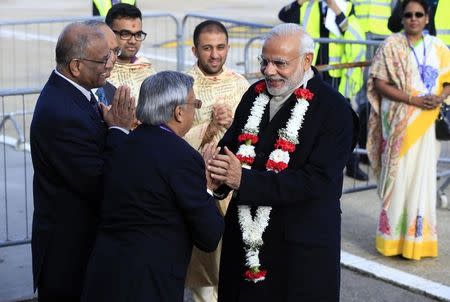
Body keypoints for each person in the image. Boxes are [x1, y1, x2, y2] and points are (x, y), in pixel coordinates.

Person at [207, 23, 358, 301]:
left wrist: (244, 180)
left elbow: (317, 181)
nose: (269, 71)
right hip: (245, 239)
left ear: (307, 60)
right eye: (264, 61)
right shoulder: (255, 93)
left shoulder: (334, 110)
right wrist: (217, 175)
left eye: (280, 63)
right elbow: (231, 147)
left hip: (299, 250)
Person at [81, 71, 224, 302]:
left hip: (104, 274)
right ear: (179, 112)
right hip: (149, 283)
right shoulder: (183, 157)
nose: (194, 109)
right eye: (194, 104)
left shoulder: (121, 143)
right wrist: (207, 188)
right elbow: (209, 235)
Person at [30, 21, 135, 302]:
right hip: (70, 256)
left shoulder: (80, 94)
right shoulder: (62, 113)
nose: (112, 63)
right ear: (76, 66)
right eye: (104, 58)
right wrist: (119, 130)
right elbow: (101, 182)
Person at [367, 0, 450, 260]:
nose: (413, 18)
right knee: (399, 180)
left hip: (426, 124)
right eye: (408, 15)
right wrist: (412, 99)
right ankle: (392, 242)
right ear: (401, 18)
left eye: (419, 14)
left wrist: (440, 97)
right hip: (399, 123)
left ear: (427, 18)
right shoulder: (390, 45)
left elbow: (448, 80)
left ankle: (419, 241)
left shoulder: (438, 47)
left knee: (423, 180)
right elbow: (379, 83)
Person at [183, 20, 249, 302]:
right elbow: (172, 136)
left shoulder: (240, 84)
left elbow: (253, 132)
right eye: (207, 48)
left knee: (234, 265)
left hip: (234, 188)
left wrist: (233, 123)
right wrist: (208, 130)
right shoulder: (184, 86)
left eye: (221, 47)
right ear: (194, 50)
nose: (214, 55)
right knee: (204, 271)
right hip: (198, 187)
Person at [279, 0, 369, 181]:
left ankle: (352, 163)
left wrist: (335, 8)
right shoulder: (309, 6)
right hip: (311, 72)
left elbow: (353, 32)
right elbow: (285, 16)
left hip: (336, 74)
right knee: (305, 117)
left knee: (344, 120)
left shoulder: (346, 7)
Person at [105, 3, 156, 101]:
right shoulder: (100, 72)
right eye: (125, 34)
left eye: (138, 34)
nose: (133, 41)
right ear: (108, 32)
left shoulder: (146, 66)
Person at [88, 20, 122, 106]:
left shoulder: (113, 91)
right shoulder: (70, 97)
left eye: (116, 51)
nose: (113, 58)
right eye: (106, 52)